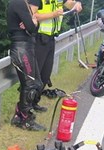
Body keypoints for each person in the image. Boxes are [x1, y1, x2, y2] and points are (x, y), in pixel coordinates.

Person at [29, 0, 82, 111]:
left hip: (51, 39)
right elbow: (31, 16)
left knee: (45, 74)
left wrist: (77, 4)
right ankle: (26, 107)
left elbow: (70, 4)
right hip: (38, 38)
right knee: (35, 76)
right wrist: (53, 15)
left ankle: (34, 102)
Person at [6, 0, 47, 131]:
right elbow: (31, 27)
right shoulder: (18, 3)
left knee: (37, 83)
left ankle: (19, 115)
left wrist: (33, 23)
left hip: (28, 47)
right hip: (21, 48)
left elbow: (35, 28)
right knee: (30, 84)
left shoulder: (24, 4)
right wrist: (32, 22)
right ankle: (25, 119)